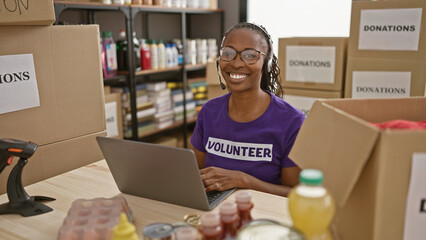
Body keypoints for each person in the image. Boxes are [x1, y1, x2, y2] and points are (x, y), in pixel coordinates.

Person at [190, 22, 305, 197]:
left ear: (266, 64)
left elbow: (293, 193)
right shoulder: (208, 112)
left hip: (264, 217)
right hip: (215, 213)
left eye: (250, 55)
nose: (236, 63)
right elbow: (196, 174)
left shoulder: (292, 121)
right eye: (228, 53)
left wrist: (245, 181)